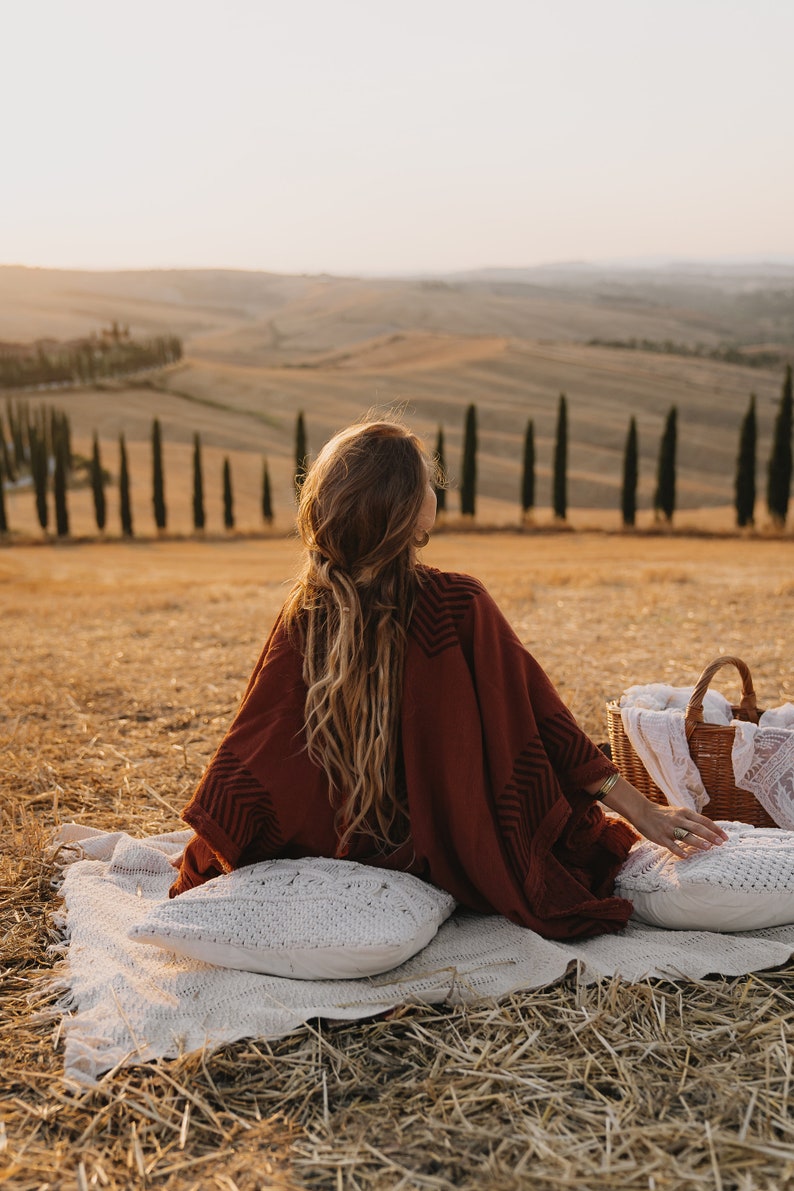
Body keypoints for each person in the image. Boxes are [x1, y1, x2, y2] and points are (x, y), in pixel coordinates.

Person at [170, 419, 727, 940]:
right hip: (451, 851)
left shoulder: (307, 610)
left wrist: (212, 849)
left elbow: (254, 757)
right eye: (429, 484)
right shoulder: (455, 604)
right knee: (582, 848)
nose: (438, 493)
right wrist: (640, 809)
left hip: (335, 849)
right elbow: (544, 724)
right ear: (406, 510)